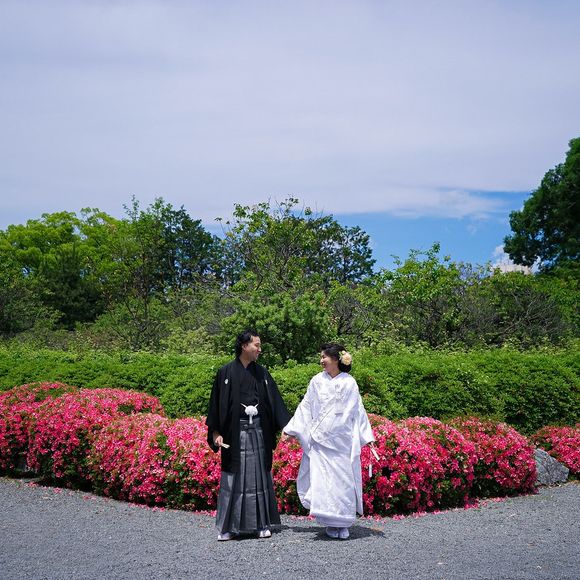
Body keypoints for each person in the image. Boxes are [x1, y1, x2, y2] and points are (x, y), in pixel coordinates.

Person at [283, 343, 375, 540]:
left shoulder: (349, 382)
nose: (321, 361)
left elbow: (358, 410)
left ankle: (344, 522)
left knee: (343, 482)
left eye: (324, 357)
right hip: (321, 441)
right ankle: (330, 523)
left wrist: (367, 436)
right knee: (324, 483)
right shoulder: (317, 381)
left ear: (335, 359)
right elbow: (306, 406)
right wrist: (291, 429)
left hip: (342, 442)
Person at [206, 330, 291, 541]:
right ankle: (228, 528)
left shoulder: (262, 373)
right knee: (232, 480)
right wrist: (216, 432)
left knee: (258, 478)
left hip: (258, 432)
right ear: (244, 346)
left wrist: (287, 427)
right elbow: (215, 405)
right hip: (234, 434)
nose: (259, 350)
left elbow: (275, 402)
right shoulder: (225, 373)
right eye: (256, 345)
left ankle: (261, 524)